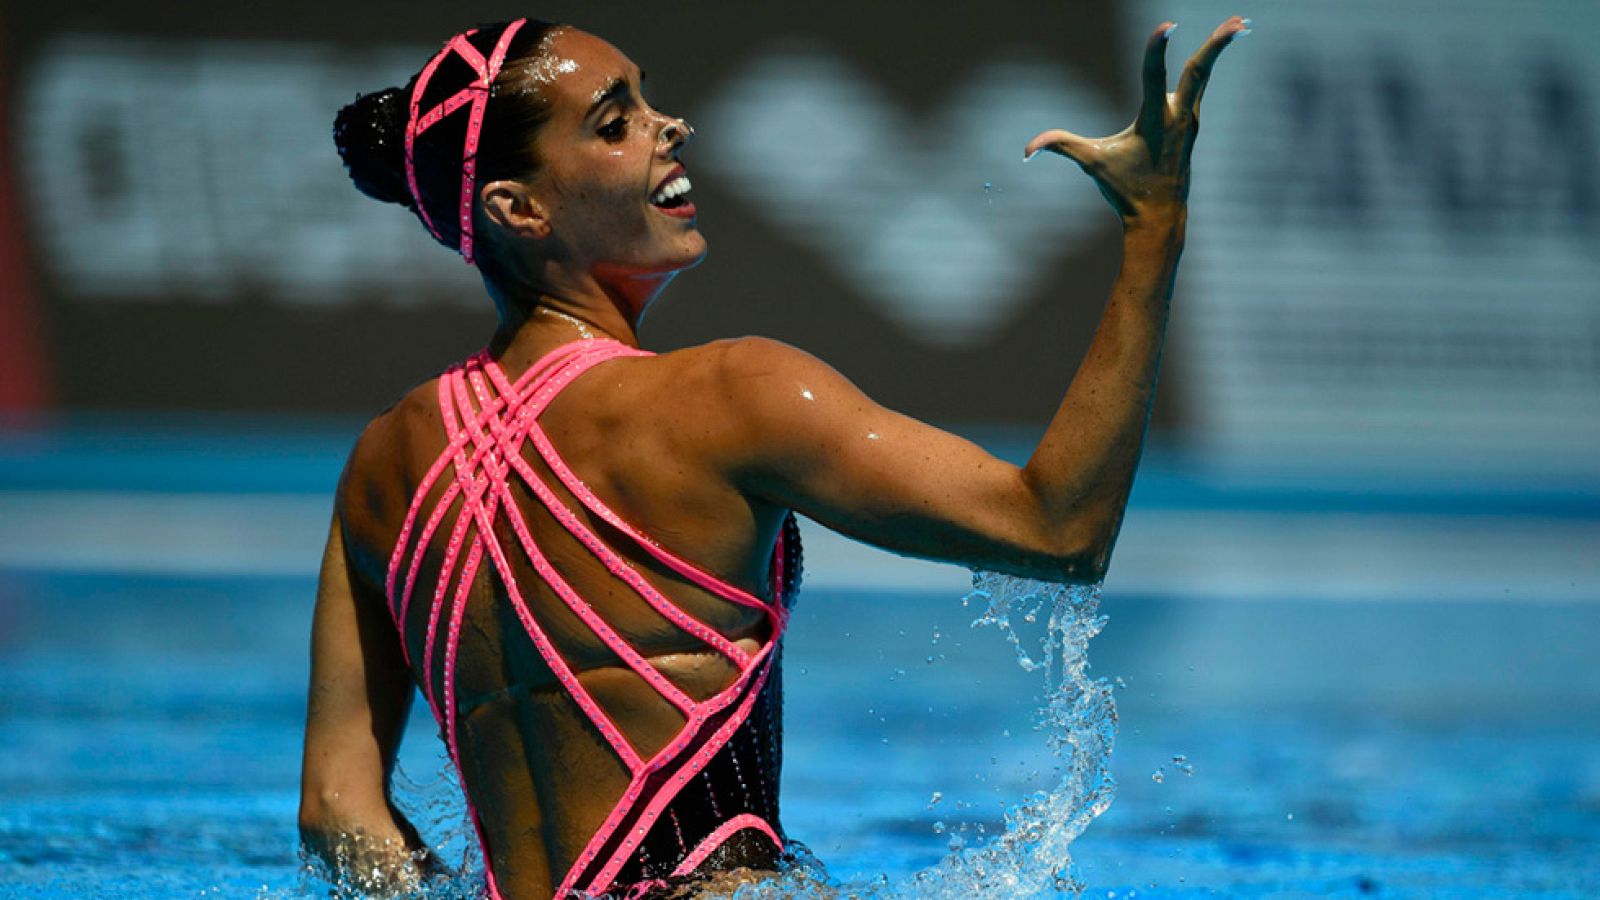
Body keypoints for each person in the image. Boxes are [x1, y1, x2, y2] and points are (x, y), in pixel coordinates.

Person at [298, 14, 1248, 900]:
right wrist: (1152, 229)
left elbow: (338, 813)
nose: (672, 127)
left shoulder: (384, 463)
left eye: (648, 99)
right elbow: (1057, 530)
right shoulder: (732, 398)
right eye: (615, 123)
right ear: (518, 206)